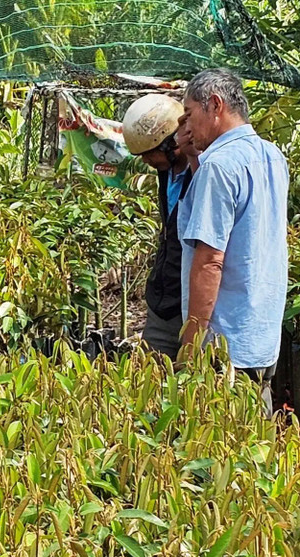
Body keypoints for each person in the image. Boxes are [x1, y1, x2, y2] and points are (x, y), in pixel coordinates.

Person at [176, 68, 289, 410]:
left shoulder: (220, 166)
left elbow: (210, 261)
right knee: (255, 452)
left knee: (216, 454)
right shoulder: (272, 156)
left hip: (222, 350)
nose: (187, 127)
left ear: (215, 105)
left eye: (190, 114)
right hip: (261, 337)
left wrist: (190, 347)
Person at [121, 94, 193, 359]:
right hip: (163, 302)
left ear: (171, 143)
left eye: (149, 155)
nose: (146, 162)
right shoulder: (167, 174)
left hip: (189, 303)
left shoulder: (205, 174)